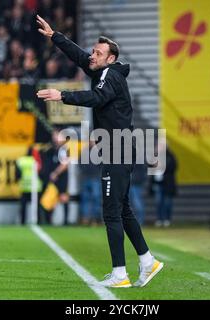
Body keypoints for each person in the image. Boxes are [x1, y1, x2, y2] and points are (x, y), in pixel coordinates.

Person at [36, 15, 163, 288]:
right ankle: (147, 261)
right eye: (94, 50)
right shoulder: (104, 70)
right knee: (123, 210)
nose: (92, 55)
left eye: (98, 53)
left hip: (117, 148)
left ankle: (120, 274)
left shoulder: (111, 76)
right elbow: (79, 57)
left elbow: (97, 98)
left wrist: (63, 95)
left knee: (111, 213)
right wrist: (54, 36)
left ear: (111, 59)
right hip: (118, 147)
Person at [151, 144, 177, 227]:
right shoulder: (155, 156)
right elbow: (150, 166)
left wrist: (163, 166)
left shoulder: (170, 156)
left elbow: (173, 167)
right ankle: (159, 219)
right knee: (158, 202)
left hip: (167, 183)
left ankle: (167, 219)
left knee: (167, 202)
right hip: (157, 182)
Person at [16, 146, 42, 225]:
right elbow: (41, 172)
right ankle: (38, 221)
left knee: (23, 206)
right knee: (36, 206)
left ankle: (22, 221)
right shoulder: (36, 161)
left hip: (25, 186)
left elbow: (17, 174)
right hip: (35, 187)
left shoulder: (21, 161)